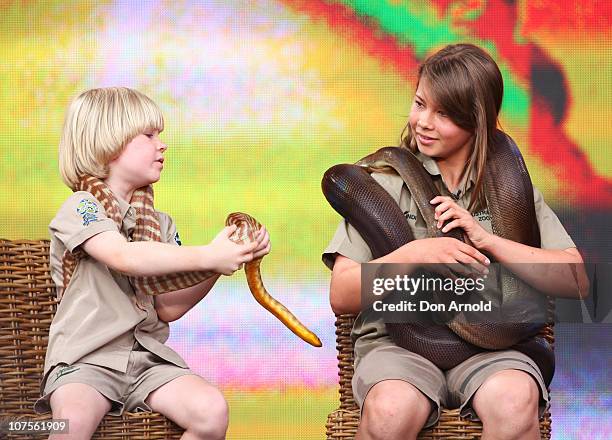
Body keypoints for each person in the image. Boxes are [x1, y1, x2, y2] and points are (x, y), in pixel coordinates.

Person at [323, 44, 588, 440]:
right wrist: (416, 254)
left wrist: (489, 241)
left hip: (495, 349)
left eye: (443, 114)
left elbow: (576, 281)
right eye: (419, 104)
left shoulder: (509, 189)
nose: (424, 122)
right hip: (399, 345)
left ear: (476, 122)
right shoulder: (383, 183)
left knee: (514, 403)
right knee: (391, 411)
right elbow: (341, 294)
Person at [35, 87, 270, 440]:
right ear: (108, 143)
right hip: (86, 361)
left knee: (211, 411)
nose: (162, 144)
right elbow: (124, 257)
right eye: (148, 135)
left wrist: (224, 262)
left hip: (146, 362)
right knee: (72, 423)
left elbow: (168, 308)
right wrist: (207, 254)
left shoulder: (161, 224)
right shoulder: (82, 207)